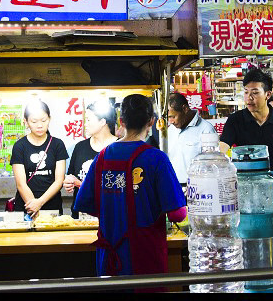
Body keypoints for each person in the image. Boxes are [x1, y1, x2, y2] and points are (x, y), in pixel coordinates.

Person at [73, 94, 187, 277]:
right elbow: (178, 214)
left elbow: (88, 205)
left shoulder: (102, 157)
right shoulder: (157, 159)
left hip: (110, 257)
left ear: (121, 121)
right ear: (151, 121)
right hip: (144, 258)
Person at [220, 67, 273, 173]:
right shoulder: (235, 120)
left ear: (267, 94)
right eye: (246, 92)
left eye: (255, 92)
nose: (249, 97)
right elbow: (222, 149)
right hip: (246, 184)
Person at [10, 100, 68, 217]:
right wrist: (33, 206)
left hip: (52, 207)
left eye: (44, 120)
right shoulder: (19, 146)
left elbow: (59, 180)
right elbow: (21, 184)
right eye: (34, 121)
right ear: (26, 122)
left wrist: (39, 203)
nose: (40, 125)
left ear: (49, 119)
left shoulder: (57, 144)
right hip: (26, 207)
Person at [65, 100, 118, 199]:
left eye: (88, 120)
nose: (85, 124)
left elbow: (117, 186)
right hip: (81, 211)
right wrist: (69, 183)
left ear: (102, 122)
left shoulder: (120, 148)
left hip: (109, 211)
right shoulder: (80, 147)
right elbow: (72, 175)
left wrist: (80, 184)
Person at [165, 92, 219, 183]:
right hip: (173, 187)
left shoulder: (206, 130)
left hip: (196, 188)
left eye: (173, 117)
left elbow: (212, 167)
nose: (171, 121)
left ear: (185, 109)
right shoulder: (170, 130)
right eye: (168, 117)